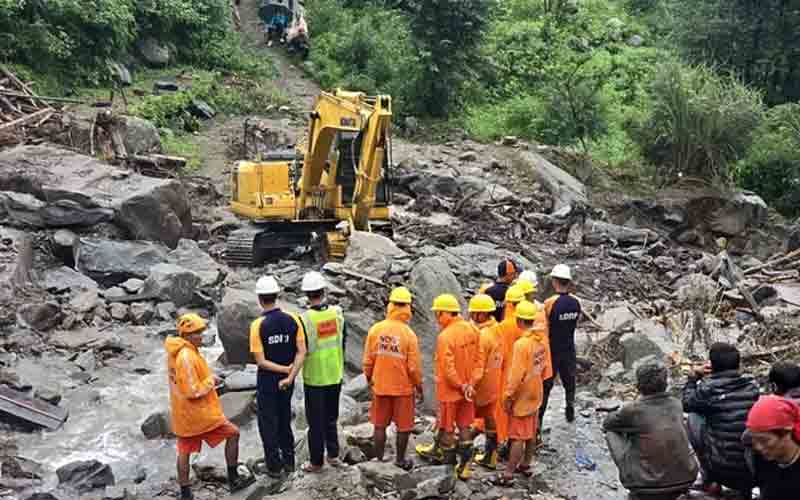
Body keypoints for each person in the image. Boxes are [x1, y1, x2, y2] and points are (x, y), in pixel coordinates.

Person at [167, 314, 254, 499]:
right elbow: (192, 391)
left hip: (183, 414)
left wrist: (208, 378)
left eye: (201, 331)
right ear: (187, 335)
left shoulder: (178, 352)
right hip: (198, 414)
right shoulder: (186, 357)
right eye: (197, 333)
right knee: (233, 433)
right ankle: (233, 479)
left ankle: (186, 494)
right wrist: (211, 381)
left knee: (184, 451)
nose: (201, 336)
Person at [603, 362, 698, 500]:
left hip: (648, 485)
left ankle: (634, 478)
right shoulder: (676, 403)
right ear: (665, 384)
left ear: (638, 386)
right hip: (687, 478)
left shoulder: (633, 410)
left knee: (611, 433)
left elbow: (608, 424)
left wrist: (616, 413)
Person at [416, 294, 484, 481]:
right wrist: (471, 384)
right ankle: (465, 467)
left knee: (447, 427)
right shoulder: (473, 329)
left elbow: (448, 368)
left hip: (450, 392)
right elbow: (480, 360)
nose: (437, 318)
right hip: (468, 391)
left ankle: (449, 465)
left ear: (446, 313)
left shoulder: (445, 336)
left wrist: (460, 385)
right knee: (464, 425)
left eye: (438, 314)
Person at [682, 342, 759, 497]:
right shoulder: (752, 387)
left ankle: (709, 479)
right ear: (738, 365)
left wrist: (693, 378)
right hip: (754, 471)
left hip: (722, 472)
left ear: (712, 366)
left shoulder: (708, 389)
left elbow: (687, 404)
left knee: (694, 417)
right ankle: (745, 491)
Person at [250, 276, 306, 478]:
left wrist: (283, 371)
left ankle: (274, 466)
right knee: (284, 419)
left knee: (267, 423)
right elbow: (302, 351)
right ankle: (289, 462)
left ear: (259, 298)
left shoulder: (258, 325)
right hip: (287, 381)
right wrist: (290, 376)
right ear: (277, 295)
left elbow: (261, 361)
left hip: (268, 381)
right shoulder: (294, 319)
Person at [363, 286, 423, 469]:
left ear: (390, 305)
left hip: (380, 386)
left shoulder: (376, 330)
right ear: (408, 307)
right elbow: (413, 367)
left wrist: (369, 378)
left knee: (379, 425)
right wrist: (419, 386)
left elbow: (368, 360)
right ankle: (400, 460)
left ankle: (379, 459)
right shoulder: (409, 334)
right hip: (403, 389)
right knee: (404, 426)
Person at [491, 301, 550, 486]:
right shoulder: (542, 340)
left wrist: (508, 395)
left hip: (523, 394)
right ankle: (525, 464)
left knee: (517, 436)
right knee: (531, 430)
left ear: (519, 320)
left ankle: (508, 474)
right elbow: (544, 367)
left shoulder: (522, 344)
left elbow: (516, 375)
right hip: (536, 390)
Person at [298, 271, 346, 473]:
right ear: (324, 291)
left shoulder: (304, 319)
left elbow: (301, 349)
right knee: (331, 418)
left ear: (307, 295)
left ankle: (316, 462)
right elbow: (343, 341)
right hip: (335, 374)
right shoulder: (337, 313)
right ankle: (333, 455)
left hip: (315, 378)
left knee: (315, 423)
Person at [539, 264, 581, 425]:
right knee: (570, 380)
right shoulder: (576, 302)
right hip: (569, 347)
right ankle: (570, 408)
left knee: (546, 385)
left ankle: (539, 420)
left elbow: (544, 325)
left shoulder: (549, 302)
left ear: (554, 281)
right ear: (568, 281)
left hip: (553, 349)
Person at [466, 294, 502, 469]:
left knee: (464, 421)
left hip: (480, 386)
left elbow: (476, 365)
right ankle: (491, 456)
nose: (471, 316)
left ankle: (462, 463)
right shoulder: (497, 328)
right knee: (489, 417)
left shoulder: (482, 336)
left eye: (473, 313)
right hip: (494, 383)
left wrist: (469, 385)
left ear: (481, 314)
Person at [746, 395, 800, 500]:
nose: (758, 447)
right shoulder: (762, 460)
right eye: (754, 439)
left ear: (786, 433)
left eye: (764, 440)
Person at [495, 284, 527, 453]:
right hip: (524, 375)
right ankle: (516, 441)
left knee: (502, 410)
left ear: (508, 303)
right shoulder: (527, 325)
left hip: (505, 373)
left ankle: (502, 442)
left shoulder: (502, 326)